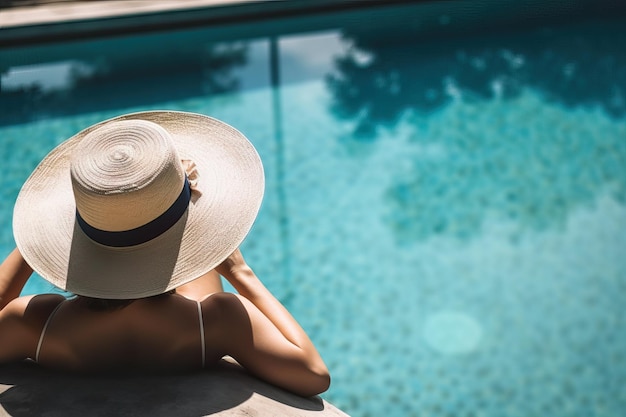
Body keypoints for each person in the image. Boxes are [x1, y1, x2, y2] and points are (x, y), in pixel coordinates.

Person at [0, 111, 330, 397]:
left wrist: (38, 240)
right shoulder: (218, 320)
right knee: (202, 273)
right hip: (180, 330)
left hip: (77, 337)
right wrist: (242, 272)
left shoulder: (34, 323)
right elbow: (314, 375)